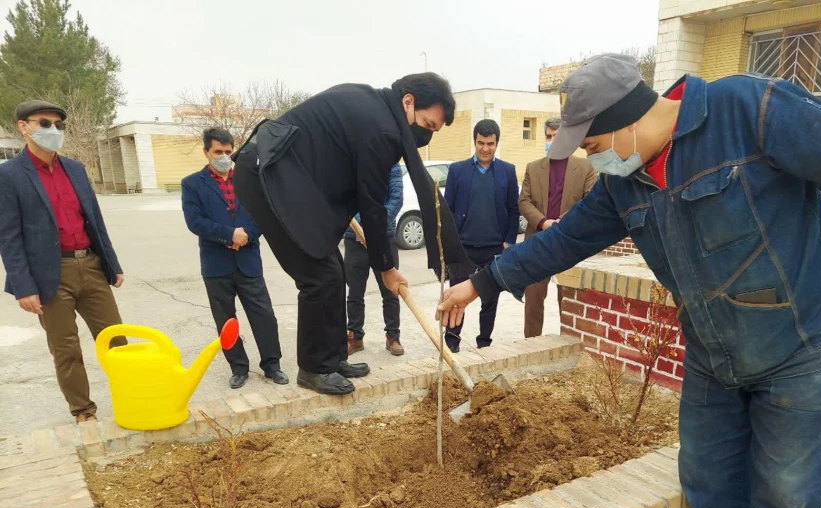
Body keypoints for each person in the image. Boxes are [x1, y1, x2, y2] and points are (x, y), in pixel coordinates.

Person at [438, 54, 821, 508]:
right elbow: (561, 239)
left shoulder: (748, 112)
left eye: (597, 143)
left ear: (630, 119)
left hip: (804, 348)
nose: (597, 158)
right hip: (715, 354)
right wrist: (481, 283)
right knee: (708, 479)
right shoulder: (624, 183)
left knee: (789, 503)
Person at [233, 72, 466, 395]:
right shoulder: (382, 129)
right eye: (427, 125)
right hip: (267, 174)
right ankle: (314, 368)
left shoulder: (374, 104)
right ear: (408, 102)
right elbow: (372, 204)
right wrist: (386, 267)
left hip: (291, 174)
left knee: (334, 269)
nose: (426, 137)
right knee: (318, 276)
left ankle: (331, 358)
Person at [0, 100, 126, 423]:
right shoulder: (9, 176)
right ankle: (84, 411)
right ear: (24, 127)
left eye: (59, 125)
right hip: (49, 276)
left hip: (90, 266)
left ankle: (131, 395)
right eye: (44, 123)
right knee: (66, 348)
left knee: (116, 340)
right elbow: (9, 236)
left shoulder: (75, 169)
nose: (53, 130)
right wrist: (24, 287)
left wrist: (112, 264)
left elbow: (95, 222)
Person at [182, 127, 288, 389]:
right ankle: (238, 367)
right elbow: (195, 222)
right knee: (226, 320)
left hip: (249, 261)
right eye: (218, 151)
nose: (224, 156)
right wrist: (229, 235)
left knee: (263, 314)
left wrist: (246, 236)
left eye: (228, 152)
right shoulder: (192, 184)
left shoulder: (248, 179)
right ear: (206, 151)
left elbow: (263, 214)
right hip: (216, 265)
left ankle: (272, 365)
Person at [443, 119, 519, 352]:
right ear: (474, 142)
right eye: (480, 143)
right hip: (463, 248)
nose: (485, 148)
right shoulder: (457, 171)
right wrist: (449, 243)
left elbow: (514, 210)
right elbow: (448, 210)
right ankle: (451, 343)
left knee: (490, 299)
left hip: (494, 248)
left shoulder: (508, 171)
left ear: (497, 143)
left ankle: (484, 343)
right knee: (457, 296)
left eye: (490, 143)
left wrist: (509, 241)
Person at [519, 117, 596, 337]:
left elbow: (589, 201)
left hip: (568, 242)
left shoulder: (585, 167)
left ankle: (569, 344)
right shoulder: (533, 168)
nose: (552, 140)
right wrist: (544, 222)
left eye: (557, 136)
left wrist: (563, 222)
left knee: (569, 300)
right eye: (548, 136)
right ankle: (531, 346)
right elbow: (524, 201)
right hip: (538, 242)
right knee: (533, 301)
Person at [345, 163, 405, 357]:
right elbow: (344, 199)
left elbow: (396, 200)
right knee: (354, 292)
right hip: (355, 237)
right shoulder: (352, 163)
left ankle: (393, 336)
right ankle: (355, 336)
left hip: (383, 237)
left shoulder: (392, 166)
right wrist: (362, 227)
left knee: (391, 291)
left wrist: (373, 226)